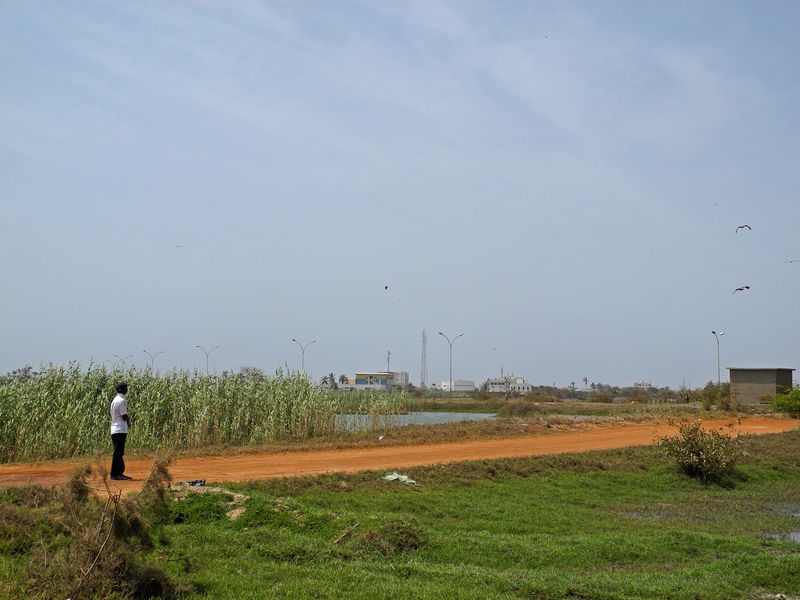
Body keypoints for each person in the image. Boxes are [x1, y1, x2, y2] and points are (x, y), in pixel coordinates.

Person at [109, 382, 132, 480]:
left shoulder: (115, 400)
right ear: (122, 389)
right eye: (126, 388)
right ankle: (114, 474)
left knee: (118, 452)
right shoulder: (121, 401)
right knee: (118, 452)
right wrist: (129, 420)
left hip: (116, 428)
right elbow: (124, 416)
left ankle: (119, 472)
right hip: (120, 429)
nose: (127, 389)